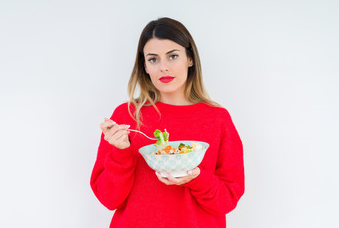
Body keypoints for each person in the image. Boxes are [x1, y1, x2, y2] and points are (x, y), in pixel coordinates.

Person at [90, 17, 244, 228]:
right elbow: (109, 199)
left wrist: (196, 178)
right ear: (144, 65)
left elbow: (227, 200)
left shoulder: (217, 118)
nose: (163, 67)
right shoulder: (126, 116)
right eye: (153, 59)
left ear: (189, 59)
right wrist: (121, 152)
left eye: (172, 56)